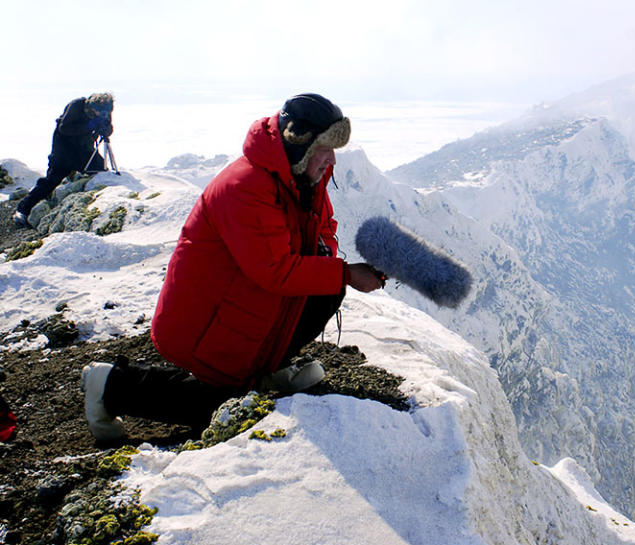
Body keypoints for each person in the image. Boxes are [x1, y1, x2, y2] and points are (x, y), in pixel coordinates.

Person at [80, 93, 386, 440]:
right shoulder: (246, 187)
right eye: (325, 147)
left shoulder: (303, 178)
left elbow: (324, 226)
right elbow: (275, 270)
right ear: (298, 144)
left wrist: (323, 256)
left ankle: (267, 368)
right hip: (205, 322)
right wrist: (344, 272)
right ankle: (110, 385)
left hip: (244, 304)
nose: (331, 158)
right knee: (224, 408)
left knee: (324, 287)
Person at [12, 92, 115, 228]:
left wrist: (104, 128)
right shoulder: (77, 106)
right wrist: (89, 126)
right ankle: (23, 209)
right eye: (98, 111)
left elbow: (109, 129)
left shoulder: (105, 110)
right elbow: (64, 128)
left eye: (104, 112)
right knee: (52, 180)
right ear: (92, 106)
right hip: (63, 148)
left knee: (101, 171)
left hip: (84, 148)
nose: (101, 114)